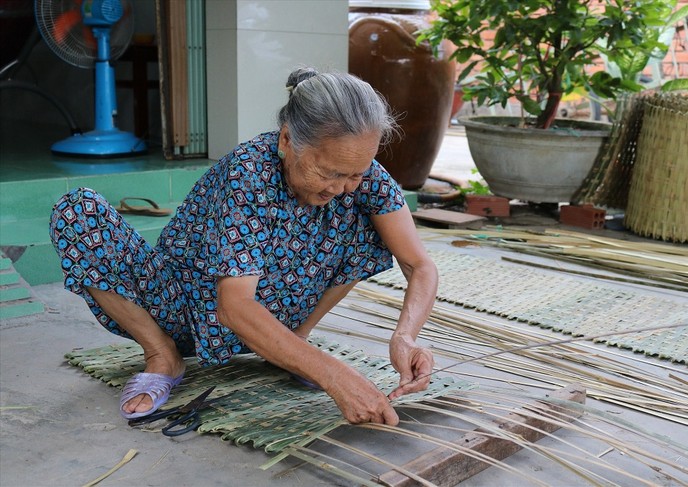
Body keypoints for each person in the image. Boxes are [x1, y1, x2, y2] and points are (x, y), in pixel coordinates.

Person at [49, 67, 438, 426]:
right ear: (288, 140)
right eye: (329, 172)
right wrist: (334, 374)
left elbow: (419, 265)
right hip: (181, 306)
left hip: (277, 315)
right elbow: (233, 305)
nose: (341, 186)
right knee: (75, 211)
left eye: (356, 172)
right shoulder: (249, 173)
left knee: (367, 220)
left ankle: (294, 345)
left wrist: (404, 336)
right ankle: (162, 354)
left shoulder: (361, 175)